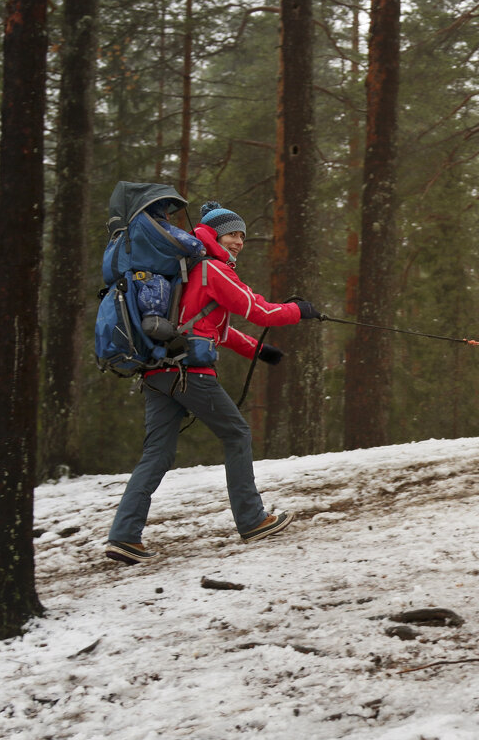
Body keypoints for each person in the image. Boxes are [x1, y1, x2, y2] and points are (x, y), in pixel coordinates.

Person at [105, 201, 324, 565]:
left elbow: (214, 329)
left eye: (242, 235)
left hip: (158, 372)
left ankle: (124, 537)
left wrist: (260, 350)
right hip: (189, 373)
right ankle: (253, 520)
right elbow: (261, 311)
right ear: (214, 234)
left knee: (157, 454)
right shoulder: (212, 269)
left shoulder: (189, 271)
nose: (238, 241)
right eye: (232, 234)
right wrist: (301, 310)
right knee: (237, 434)